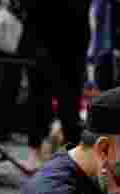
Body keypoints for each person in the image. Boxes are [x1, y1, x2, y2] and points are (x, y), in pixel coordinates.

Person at [21, 0, 92, 171]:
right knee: (39, 97)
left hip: (71, 37)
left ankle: (74, 155)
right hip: (41, 35)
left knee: (68, 101)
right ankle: (35, 151)